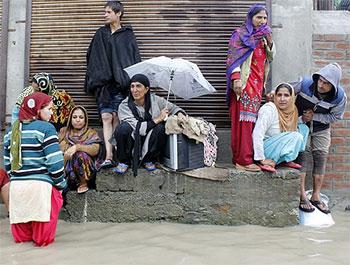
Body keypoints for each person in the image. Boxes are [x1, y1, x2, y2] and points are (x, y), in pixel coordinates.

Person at [3, 92, 67, 246]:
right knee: (43, 243)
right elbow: (55, 163)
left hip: (17, 191)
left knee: (21, 242)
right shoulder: (46, 128)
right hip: (41, 190)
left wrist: (17, 179)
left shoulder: (12, 131)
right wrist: (61, 185)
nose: (52, 113)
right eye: (49, 109)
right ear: (38, 109)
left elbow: (8, 164)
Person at [84, 1, 141, 169]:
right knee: (106, 117)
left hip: (121, 85)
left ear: (119, 13)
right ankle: (108, 156)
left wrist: (132, 82)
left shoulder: (128, 35)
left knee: (117, 118)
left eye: (108, 12)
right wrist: (99, 76)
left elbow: (133, 58)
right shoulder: (101, 33)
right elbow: (92, 56)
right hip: (104, 85)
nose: (105, 15)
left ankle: (117, 155)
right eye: (105, 12)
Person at [226, 4, 276, 172]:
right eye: (258, 17)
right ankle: (242, 161)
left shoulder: (262, 37)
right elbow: (233, 59)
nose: (262, 21)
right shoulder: (240, 35)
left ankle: (248, 157)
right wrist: (236, 80)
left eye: (264, 18)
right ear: (250, 18)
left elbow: (271, 56)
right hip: (244, 84)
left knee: (252, 123)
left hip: (257, 85)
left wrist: (269, 41)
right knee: (243, 123)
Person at [292, 62, 347, 214]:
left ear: (334, 86)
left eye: (326, 83)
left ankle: (316, 196)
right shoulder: (304, 84)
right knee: (303, 156)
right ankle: (302, 195)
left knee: (320, 157)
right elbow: (286, 90)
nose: (321, 85)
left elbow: (335, 116)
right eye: (320, 80)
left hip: (321, 128)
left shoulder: (339, 98)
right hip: (301, 125)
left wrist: (314, 116)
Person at [114, 74, 184, 176]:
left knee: (160, 128)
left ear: (146, 89)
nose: (134, 90)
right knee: (122, 128)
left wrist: (180, 114)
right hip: (132, 140)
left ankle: (149, 159)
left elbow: (174, 108)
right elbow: (139, 129)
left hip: (149, 139)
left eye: (138, 86)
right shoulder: (124, 106)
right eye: (132, 86)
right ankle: (125, 161)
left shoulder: (155, 100)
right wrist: (159, 118)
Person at [252, 83, 309, 174]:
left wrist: (303, 119)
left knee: (304, 129)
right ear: (274, 96)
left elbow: (292, 126)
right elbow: (257, 133)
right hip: (266, 149)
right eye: (279, 95)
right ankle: (266, 162)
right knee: (296, 136)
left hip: (277, 147)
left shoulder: (292, 111)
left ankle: (285, 159)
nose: (282, 99)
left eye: (286, 95)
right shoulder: (269, 109)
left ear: (292, 98)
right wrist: (261, 158)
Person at [59, 106, 102, 194]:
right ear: (70, 119)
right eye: (74, 117)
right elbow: (57, 149)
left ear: (85, 120)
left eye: (81, 117)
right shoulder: (64, 132)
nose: (78, 120)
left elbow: (95, 150)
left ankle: (83, 183)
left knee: (80, 154)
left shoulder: (91, 133)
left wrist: (77, 147)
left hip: (86, 171)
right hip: (66, 169)